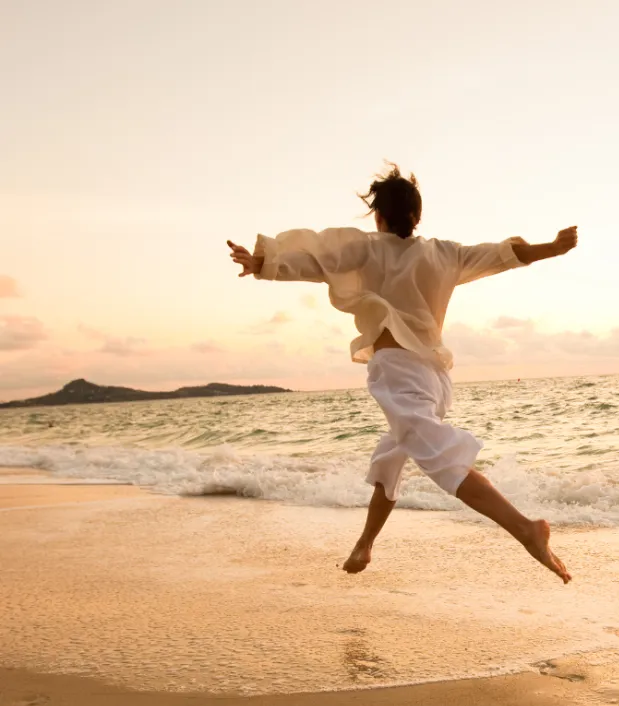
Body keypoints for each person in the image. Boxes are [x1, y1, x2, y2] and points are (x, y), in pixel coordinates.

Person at [226, 164, 575, 583]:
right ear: (417, 216)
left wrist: (265, 261)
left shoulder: (369, 249)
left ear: (379, 216)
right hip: (436, 379)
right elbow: (502, 254)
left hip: (399, 372)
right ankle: (365, 543)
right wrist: (551, 248)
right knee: (393, 455)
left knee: (439, 457)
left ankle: (525, 528)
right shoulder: (445, 253)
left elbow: (315, 261)